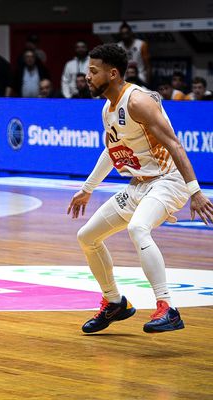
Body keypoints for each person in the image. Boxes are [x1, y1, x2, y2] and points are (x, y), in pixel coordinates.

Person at [67, 43, 213, 334]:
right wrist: (87, 189)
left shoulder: (137, 101)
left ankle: (168, 307)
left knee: (138, 228)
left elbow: (174, 144)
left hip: (168, 180)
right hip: (140, 184)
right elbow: (112, 152)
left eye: (93, 71)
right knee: (87, 237)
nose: (87, 77)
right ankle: (114, 302)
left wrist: (195, 191)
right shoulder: (107, 109)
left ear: (113, 73)